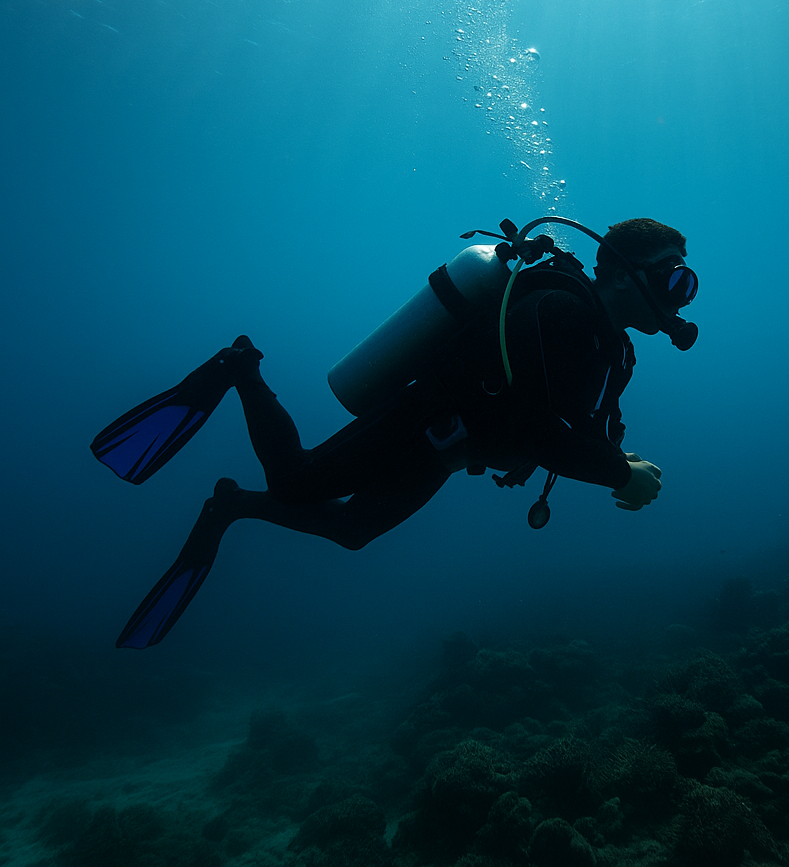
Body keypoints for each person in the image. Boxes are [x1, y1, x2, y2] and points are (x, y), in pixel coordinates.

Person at [92, 217, 697, 647]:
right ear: (621, 274)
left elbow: (564, 426)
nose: (682, 296)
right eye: (674, 278)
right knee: (297, 478)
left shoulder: (613, 351)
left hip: (447, 451)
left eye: (685, 282)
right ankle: (240, 369)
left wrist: (612, 458)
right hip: (422, 418)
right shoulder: (558, 310)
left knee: (354, 531)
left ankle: (233, 505)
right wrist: (616, 472)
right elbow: (537, 426)